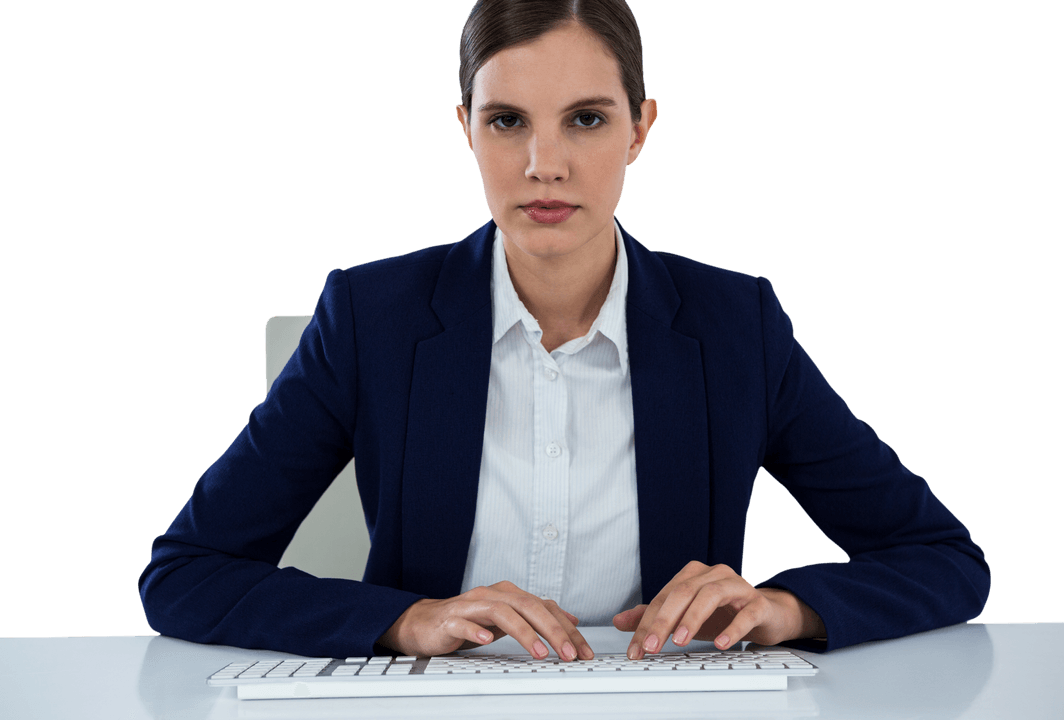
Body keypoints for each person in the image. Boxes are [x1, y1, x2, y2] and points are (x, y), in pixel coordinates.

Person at [139, 0, 989, 663]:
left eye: (586, 118)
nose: (545, 163)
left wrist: (786, 609)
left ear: (640, 129)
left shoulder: (737, 326)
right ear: (465, 127)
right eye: (508, 121)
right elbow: (184, 574)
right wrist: (405, 621)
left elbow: (943, 558)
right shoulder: (372, 318)